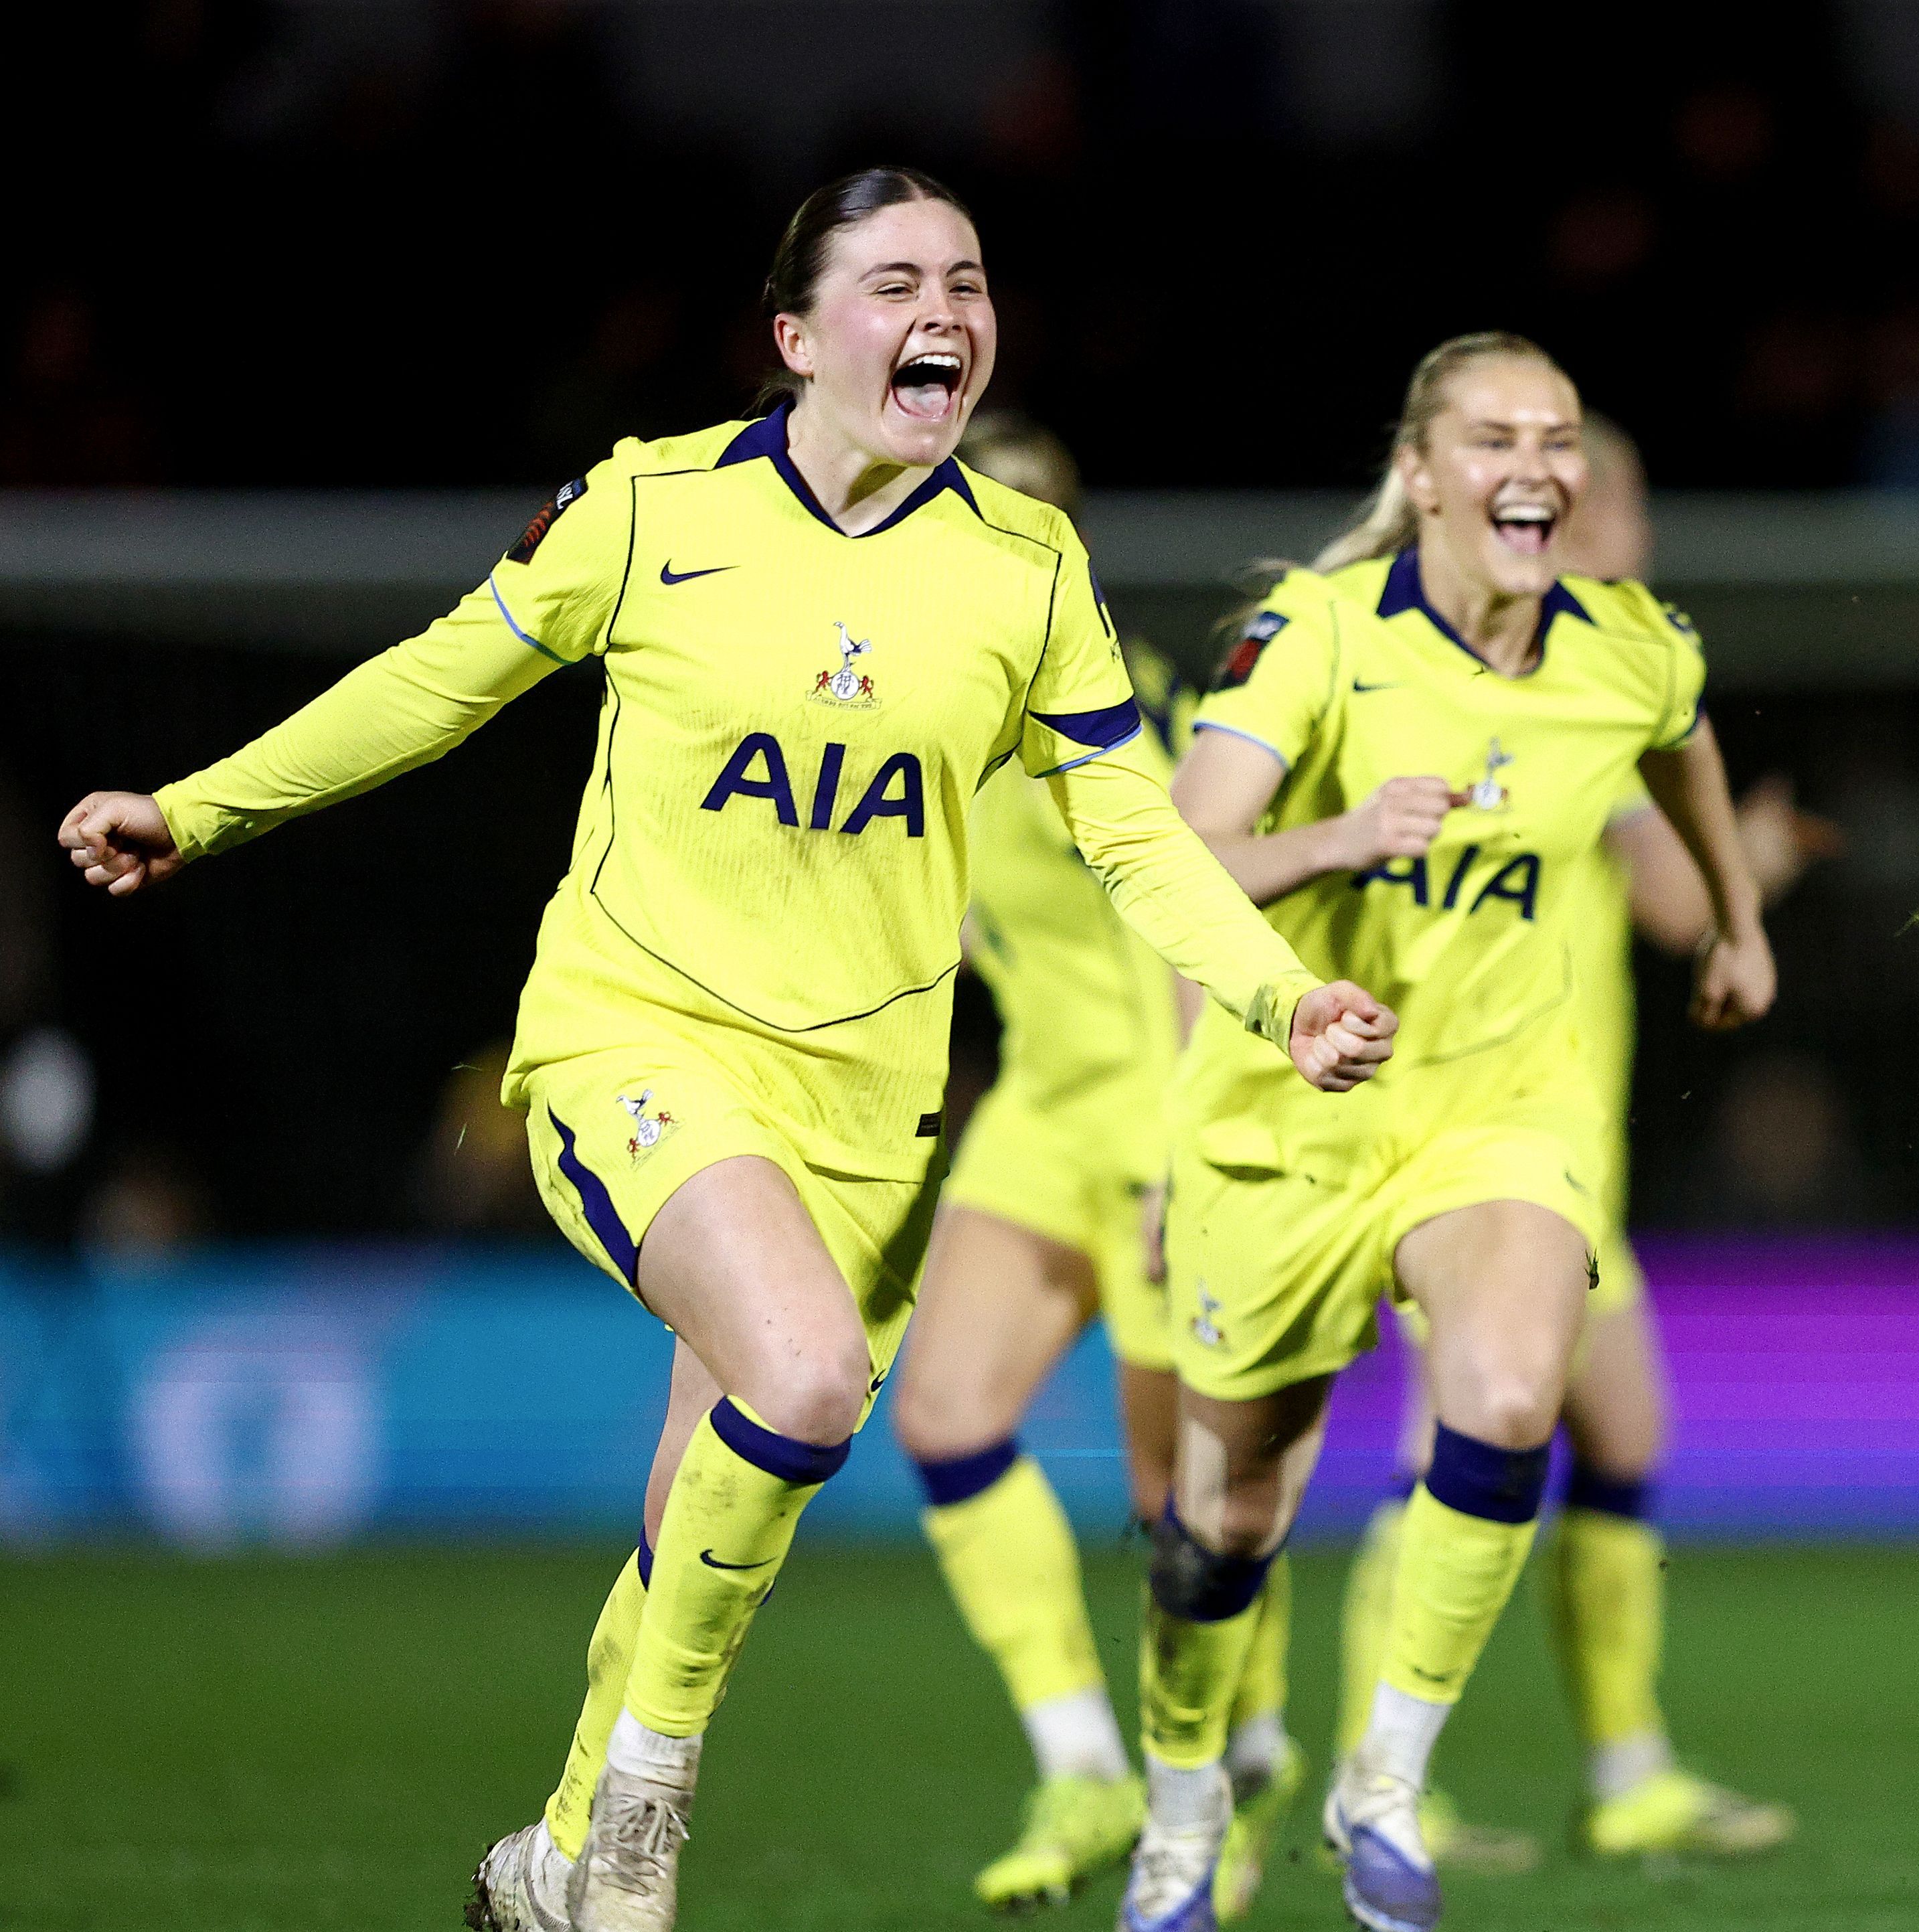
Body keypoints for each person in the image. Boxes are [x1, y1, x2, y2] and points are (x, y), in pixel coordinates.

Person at [57, 169, 1395, 1932]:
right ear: (796, 335)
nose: (947, 308)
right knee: (818, 1376)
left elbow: (1137, 830)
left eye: (971, 281)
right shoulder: (648, 502)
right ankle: (636, 1826)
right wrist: (200, 809)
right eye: (897, 277)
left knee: (710, 1477)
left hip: (868, 1111)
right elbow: (438, 681)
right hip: (641, 1037)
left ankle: (545, 1854)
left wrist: (1270, 991)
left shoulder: (1022, 564)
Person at [1128, 333, 1775, 1932]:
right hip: (1297, 1116)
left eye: (1555, 439)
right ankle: (1180, 1803)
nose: (1534, 467)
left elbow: (1683, 738)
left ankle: (1386, 1784)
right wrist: (1344, 836)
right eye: (1494, 438)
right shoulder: (1315, 639)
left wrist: (1737, 922)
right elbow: (1179, 858)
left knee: (1505, 1391)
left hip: (1500, 1112)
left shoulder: (1629, 645)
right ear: (1421, 472)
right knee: (1234, 1518)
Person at [1332, 412, 1813, 1864]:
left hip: (1557, 1144)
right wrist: (1761, 867)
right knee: (1456, 1443)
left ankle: (1625, 1770)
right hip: (1462, 1143)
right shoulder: (1544, 681)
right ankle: (1382, 1779)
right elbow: (1675, 906)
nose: (1637, 537)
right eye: (1625, 508)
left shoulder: (1578, 665)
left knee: (1621, 1434)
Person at [879, 410, 1311, 1918]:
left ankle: (1244, 1769)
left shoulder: (1120, 712)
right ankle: (1080, 1764)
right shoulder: (917, 698)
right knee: (941, 1416)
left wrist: (1180, 1157)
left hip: (1155, 1118)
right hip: (1042, 1116)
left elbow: (1173, 929)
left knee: (1175, 1496)